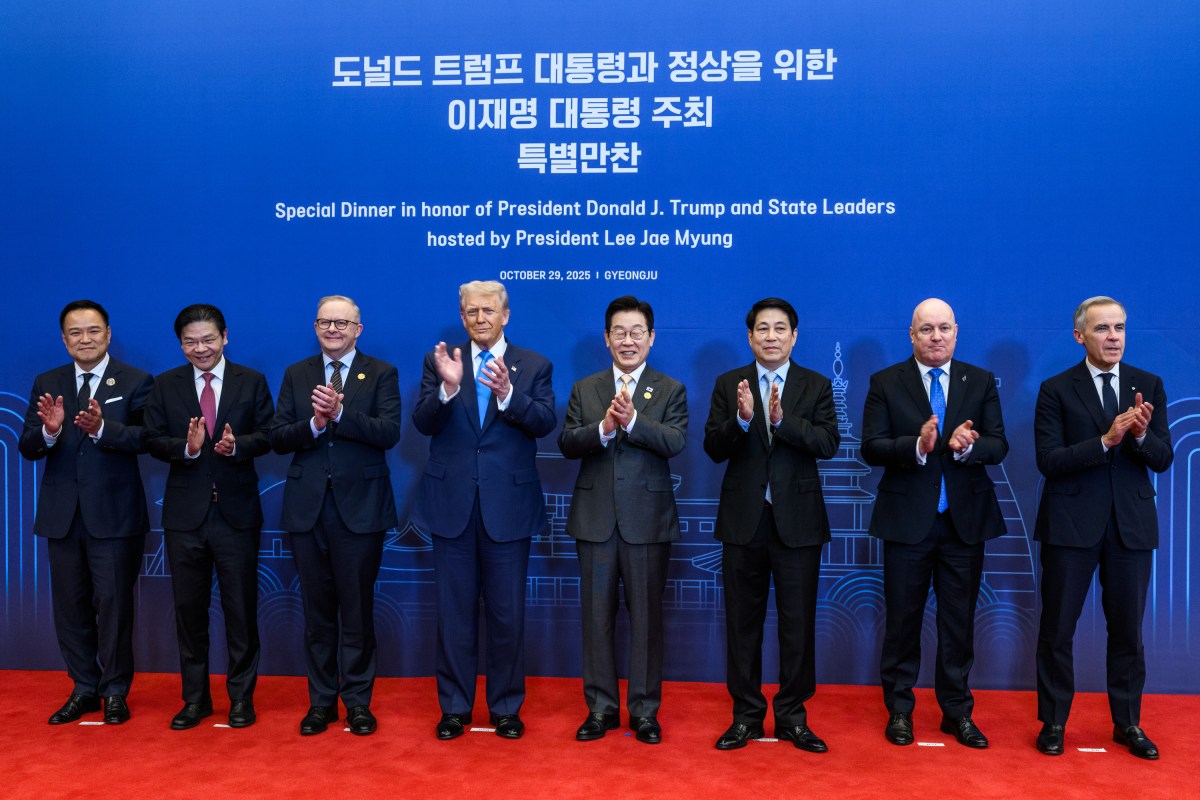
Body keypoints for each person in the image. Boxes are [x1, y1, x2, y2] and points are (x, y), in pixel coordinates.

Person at [860, 298, 1008, 748]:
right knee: (903, 622)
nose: (936, 336)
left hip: (964, 523)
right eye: (927, 329)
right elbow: (871, 447)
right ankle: (900, 711)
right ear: (911, 335)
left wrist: (966, 447)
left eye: (944, 328)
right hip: (908, 522)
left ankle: (957, 712)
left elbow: (999, 444)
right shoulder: (886, 382)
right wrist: (918, 446)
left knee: (958, 624)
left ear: (957, 331)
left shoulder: (979, 381)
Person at [411, 280, 555, 741]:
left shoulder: (534, 365)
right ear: (462, 315)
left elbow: (545, 423)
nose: (480, 318)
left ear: (505, 315)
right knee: (453, 613)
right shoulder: (442, 362)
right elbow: (422, 422)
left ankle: (506, 708)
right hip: (452, 504)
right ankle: (454, 707)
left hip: (507, 507)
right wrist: (448, 390)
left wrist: (511, 395)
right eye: (471, 311)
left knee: (507, 614)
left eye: (488, 311)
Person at [1033, 296, 1172, 760]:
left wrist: (1138, 436)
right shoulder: (1055, 389)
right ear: (1080, 336)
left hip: (1131, 528)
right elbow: (1048, 461)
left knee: (1128, 632)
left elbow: (1163, 458)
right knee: (1057, 630)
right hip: (1070, 526)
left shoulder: (1147, 384)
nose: (1113, 337)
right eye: (1102, 329)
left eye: (1119, 328)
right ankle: (1053, 722)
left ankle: (1128, 723)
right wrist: (1105, 440)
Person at [703, 297, 839, 753]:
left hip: (797, 524)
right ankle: (745, 716)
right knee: (742, 625)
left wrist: (783, 422)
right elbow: (712, 448)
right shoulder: (728, 384)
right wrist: (742, 421)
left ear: (794, 336)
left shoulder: (815, 385)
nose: (771, 336)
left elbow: (827, 444)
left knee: (797, 626)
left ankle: (793, 717)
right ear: (750, 336)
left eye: (780, 328)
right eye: (762, 329)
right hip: (744, 523)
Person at [557, 296, 687, 745]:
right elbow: (568, 442)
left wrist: (632, 423)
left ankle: (645, 711)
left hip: (647, 522)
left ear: (651, 338)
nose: (628, 340)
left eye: (636, 332)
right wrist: (604, 431)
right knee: (596, 618)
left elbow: (674, 442)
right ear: (606, 338)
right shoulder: (585, 388)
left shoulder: (670, 389)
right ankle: (600, 709)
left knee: (647, 619)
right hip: (594, 521)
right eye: (619, 332)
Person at [270, 295, 401, 736]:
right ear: (315, 326)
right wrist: (314, 424)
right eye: (325, 322)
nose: (333, 329)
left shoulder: (382, 372)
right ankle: (321, 703)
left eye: (342, 323)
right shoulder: (296, 374)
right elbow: (278, 436)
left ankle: (358, 703)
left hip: (360, 510)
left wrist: (341, 414)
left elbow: (389, 433)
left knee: (358, 611)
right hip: (308, 510)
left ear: (358, 329)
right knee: (318, 613)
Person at [19, 300, 154, 725]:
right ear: (64, 339)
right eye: (75, 333)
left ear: (108, 334)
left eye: (93, 331)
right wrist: (51, 430)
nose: (85, 339)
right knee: (71, 607)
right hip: (62, 517)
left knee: (113, 606)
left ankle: (115, 690)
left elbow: (147, 438)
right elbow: (27, 446)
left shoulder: (135, 381)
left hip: (114, 516)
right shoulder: (49, 380)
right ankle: (84, 688)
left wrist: (102, 429)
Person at [144, 304, 274, 730]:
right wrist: (188, 448)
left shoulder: (251, 381)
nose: (200, 348)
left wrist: (237, 446)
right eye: (190, 341)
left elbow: (270, 435)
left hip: (236, 514)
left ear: (225, 337)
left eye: (208, 339)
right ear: (180, 343)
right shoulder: (164, 386)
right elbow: (152, 439)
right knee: (189, 612)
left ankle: (241, 699)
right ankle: (195, 699)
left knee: (240, 610)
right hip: (185, 517)